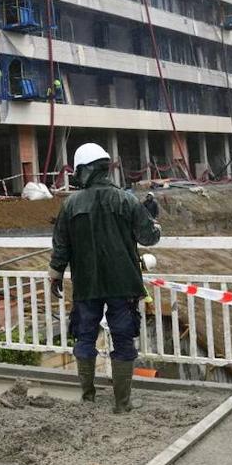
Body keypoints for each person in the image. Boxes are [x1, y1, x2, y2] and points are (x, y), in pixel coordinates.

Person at [49, 143, 160, 413]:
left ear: (84, 170)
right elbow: (149, 238)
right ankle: (122, 404)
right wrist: (153, 218)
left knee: (84, 337)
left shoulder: (71, 204)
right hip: (123, 283)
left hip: (87, 283)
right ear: (104, 168)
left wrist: (55, 275)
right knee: (123, 339)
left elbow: (60, 245)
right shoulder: (126, 200)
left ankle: (87, 399)